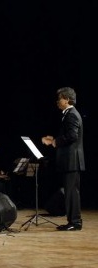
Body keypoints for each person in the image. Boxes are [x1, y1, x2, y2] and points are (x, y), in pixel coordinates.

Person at [42, 87, 84, 231]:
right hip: (71, 160)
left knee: (71, 192)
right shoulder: (69, 113)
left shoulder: (71, 114)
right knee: (71, 192)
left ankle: (75, 222)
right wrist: (54, 139)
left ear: (67, 99)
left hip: (72, 160)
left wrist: (55, 142)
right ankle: (74, 221)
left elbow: (73, 136)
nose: (57, 102)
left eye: (59, 98)